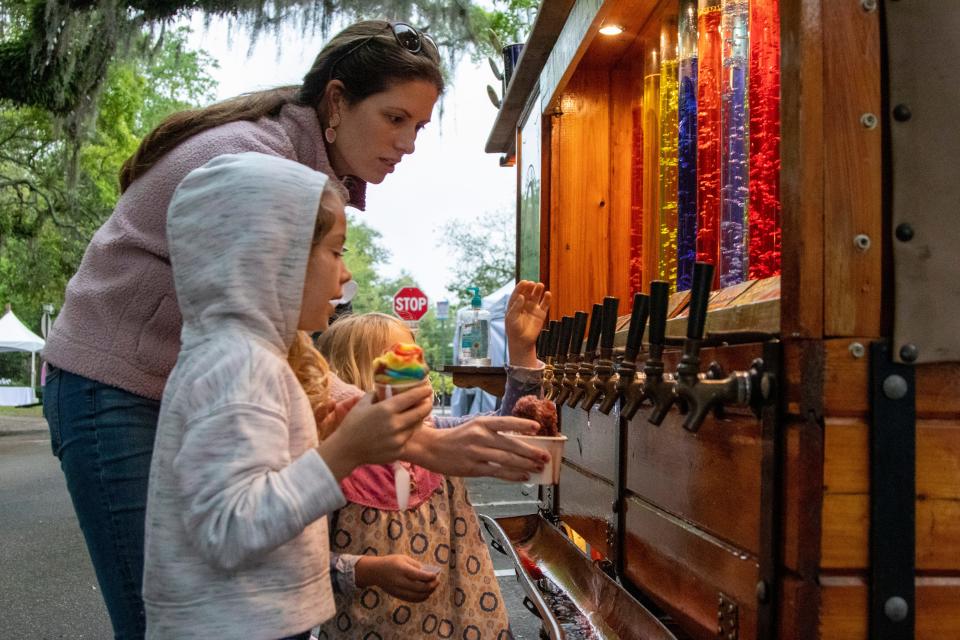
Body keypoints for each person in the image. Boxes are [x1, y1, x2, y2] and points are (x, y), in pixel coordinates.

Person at [41, 19, 545, 639]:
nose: (410, 144)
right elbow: (284, 358)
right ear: (336, 101)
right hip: (115, 387)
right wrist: (397, 442)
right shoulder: (254, 176)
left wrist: (418, 440)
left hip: (187, 383)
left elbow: (294, 356)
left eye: (418, 126)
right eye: (395, 118)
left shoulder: (299, 191)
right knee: (167, 614)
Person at [143, 152, 435, 639]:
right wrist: (346, 451)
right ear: (272, 255)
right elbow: (228, 528)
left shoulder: (249, 359)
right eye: (336, 252)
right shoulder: (239, 365)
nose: (345, 277)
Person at [314, 281, 551, 639]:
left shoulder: (438, 433)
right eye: (402, 360)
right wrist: (368, 570)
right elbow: (304, 566)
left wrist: (521, 351)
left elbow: (513, 430)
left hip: (461, 621)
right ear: (355, 379)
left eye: (418, 358)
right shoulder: (337, 461)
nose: (423, 371)